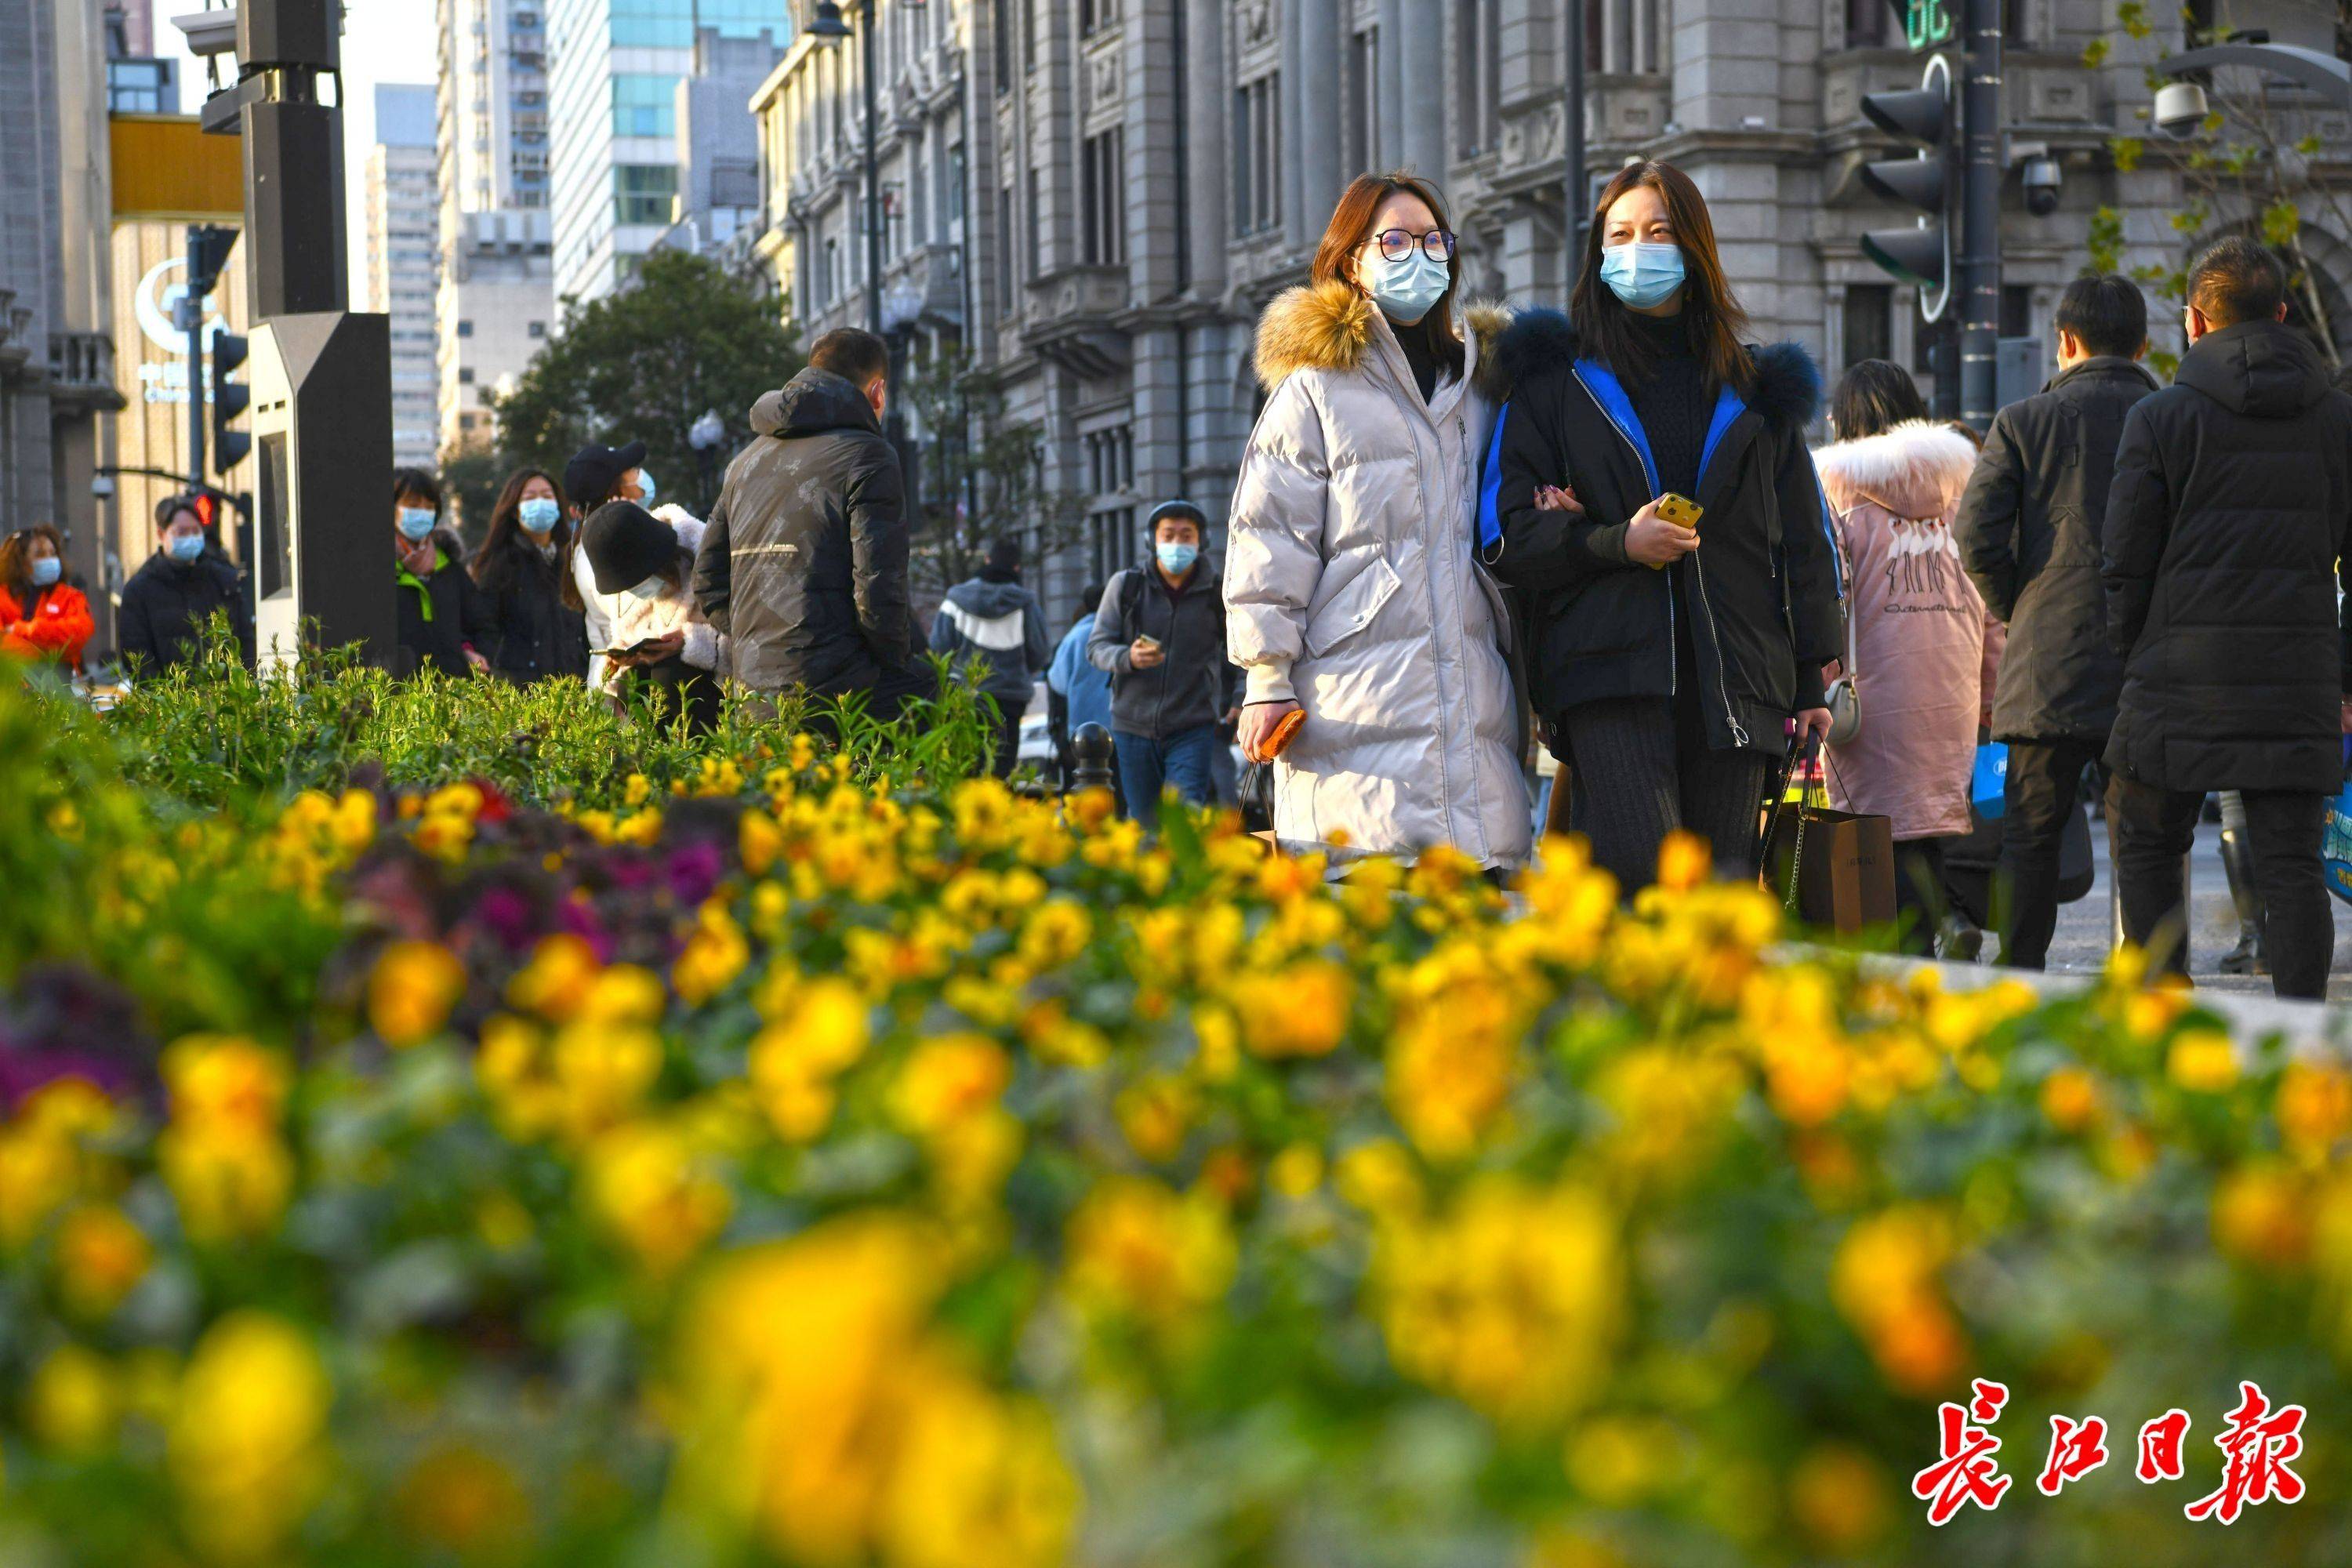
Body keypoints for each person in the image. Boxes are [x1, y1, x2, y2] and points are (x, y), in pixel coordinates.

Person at [1484, 161, 1841, 891]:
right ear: (1597, 250)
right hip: (1606, 673)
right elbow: (1503, 535)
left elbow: (1807, 546)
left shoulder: (1754, 387)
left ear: (1695, 248)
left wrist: (1813, 676)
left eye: (1658, 231)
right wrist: (1615, 542)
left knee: (1723, 896)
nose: (1637, 249)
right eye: (1620, 234)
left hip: (1738, 681)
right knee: (1640, 884)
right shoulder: (1555, 381)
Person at [1225, 171, 1530, 872]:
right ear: (1351, 261)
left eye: (1432, 240)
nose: (1417, 255)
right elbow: (1269, 541)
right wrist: (1267, 676)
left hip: (1474, 695)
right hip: (1350, 703)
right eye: (1393, 240)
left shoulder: (1481, 386)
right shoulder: (1316, 391)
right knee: (1372, 915)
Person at [2102, 236, 2352, 1000]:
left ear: (2194, 323)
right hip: (2298, 674)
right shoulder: (2339, 420)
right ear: (2282, 314)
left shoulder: (2160, 417)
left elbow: (2124, 559)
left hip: (2180, 676)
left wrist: (2133, 651)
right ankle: (2308, 1034)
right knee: (2293, 862)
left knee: (2146, 838)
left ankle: (2162, 1017)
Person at [1955, 274, 2161, 971]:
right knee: (2149, 838)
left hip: (2049, 663)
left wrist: (2023, 609)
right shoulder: (2172, 416)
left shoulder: (2022, 421)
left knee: (2031, 836)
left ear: (2064, 341)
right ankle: (2158, 987)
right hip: (2151, 660)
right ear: (2142, 343)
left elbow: (1976, 536)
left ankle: (2020, 980)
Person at [1810, 360, 1994, 953]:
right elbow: (1993, 613)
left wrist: (1817, 688)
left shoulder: (1835, 502)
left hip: (1872, 706)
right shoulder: (1962, 498)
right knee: (1934, 825)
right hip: (1954, 696)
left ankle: (1908, 960)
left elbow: (1828, 604)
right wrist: (1992, 701)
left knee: (1876, 842)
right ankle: (1945, 920)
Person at [692, 327, 931, 728]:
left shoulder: (743, 463)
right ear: (878, 393)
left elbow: (707, 581)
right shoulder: (868, 456)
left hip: (753, 695)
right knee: (946, 702)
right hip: (839, 696)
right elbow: (878, 592)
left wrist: (759, 642)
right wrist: (895, 659)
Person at [1089, 501, 1240, 815]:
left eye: (1186, 536)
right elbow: (1097, 647)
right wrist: (1126, 656)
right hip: (1132, 725)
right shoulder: (1126, 586)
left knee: (1185, 818)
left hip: (1193, 725)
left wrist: (1240, 697)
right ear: (1152, 541)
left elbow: (1241, 654)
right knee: (1144, 822)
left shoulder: (1219, 592)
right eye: (1168, 535)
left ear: (1201, 542)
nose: (1177, 544)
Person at [580, 500, 725, 732]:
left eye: (639, 582)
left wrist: (689, 641)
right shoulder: (623, 592)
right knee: (633, 683)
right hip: (654, 699)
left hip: (705, 693)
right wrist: (621, 658)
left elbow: (735, 631)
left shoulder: (707, 560)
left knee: (670, 678)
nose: (636, 591)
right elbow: (625, 634)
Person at [931, 536, 1051, 778]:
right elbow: (1040, 652)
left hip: (963, 698)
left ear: (987, 560)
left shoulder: (955, 600)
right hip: (1009, 700)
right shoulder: (1025, 604)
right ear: (1016, 567)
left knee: (965, 770)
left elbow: (938, 650)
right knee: (1000, 772)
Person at [470, 467, 586, 684]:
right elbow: (485, 629)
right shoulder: (497, 565)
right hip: (520, 692)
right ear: (514, 510)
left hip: (573, 690)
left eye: (547, 496)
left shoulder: (574, 559)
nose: (540, 502)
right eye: (530, 497)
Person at [117, 496, 252, 673]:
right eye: (181, 532)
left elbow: (246, 639)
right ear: (161, 534)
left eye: (195, 531)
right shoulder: (140, 590)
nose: (190, 538)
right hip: (171, 697)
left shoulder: (223, 580)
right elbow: (136, 654)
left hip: (224, 696)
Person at [391, 467, 495, 680]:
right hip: (394, 697)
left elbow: (481, 624)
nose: (422, 512)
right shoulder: (375, 570)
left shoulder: (449, 568)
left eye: (429, 507)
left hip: (452, 693)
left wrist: (469, 653)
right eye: (412, 505)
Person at [564, 441, 652, 688]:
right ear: (615, 489)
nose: (640, 477)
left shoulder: (588, 545)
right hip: (624, 688)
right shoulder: (605, 551)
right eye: (632, 471)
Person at [1046, 577, 1113, 785]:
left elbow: (1057, 681)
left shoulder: (1074, 638)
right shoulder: (1119, 634)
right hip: (1117, 730)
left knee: (1080, 788)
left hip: (1079, 733)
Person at [2, 524, 95, 672]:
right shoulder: (3, 597)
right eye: (40, 554)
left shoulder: (71, 597)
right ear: (20, 561)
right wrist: (48, 650)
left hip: (59, 689)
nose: (50, 560)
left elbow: (78, 634)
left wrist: (23, 630)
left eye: (53, 553)